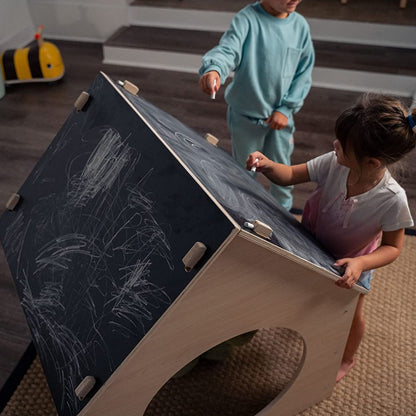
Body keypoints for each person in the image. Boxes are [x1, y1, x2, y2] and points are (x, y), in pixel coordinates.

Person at [246, 93, 415, 382]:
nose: (334, 144)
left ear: (372, 162)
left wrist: (361, 265)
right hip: (311, 240)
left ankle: (347, 358)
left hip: (352, 261)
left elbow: (392, 247)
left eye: (343, 146)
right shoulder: (334, 163)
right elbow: (289, 175)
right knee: (296, 284)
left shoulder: (392, 199)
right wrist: (267, 165)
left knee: (351, 314)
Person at [199, 0, 314, 211]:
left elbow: (303, 73)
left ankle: (284, 215)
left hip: (281, 120)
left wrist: (286, 108)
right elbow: (228, 50)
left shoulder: (300, 26)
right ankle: (245, 215)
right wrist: (214, 69)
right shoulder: (247, 19)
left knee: (281, 172)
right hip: (245, 117)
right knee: (244, 174)